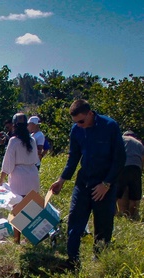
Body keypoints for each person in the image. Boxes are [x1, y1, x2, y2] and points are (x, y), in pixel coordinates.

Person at [50, 99, 126, 265]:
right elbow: (74, 157)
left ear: (91, 113)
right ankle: (73, 261)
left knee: (103, 225)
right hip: (84, 182)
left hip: (104, 184)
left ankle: (100, 263)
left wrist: (106, 184)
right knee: (75, 221)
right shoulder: (76, 130)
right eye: (76, 123)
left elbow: (119, 159)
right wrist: (61, 180)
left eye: (82, 121)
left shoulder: (109, 126)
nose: (79, 125)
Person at [0, 113, 41, 243]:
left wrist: (1, 181)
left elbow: (7, 164)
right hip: (33, 176)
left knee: (17, 209)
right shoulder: (32, 140)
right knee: (31, 208)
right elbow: (36, 160)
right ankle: (30, 238)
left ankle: (17, 239)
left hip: (19, 178)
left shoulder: (14, 141)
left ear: (15, 125)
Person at [116, 131, 144, 219]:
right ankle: (132, 216)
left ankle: (116, 214)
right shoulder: (139, 143)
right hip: (135, 169)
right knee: (134, 197)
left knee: (115, 195)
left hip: (122, 167)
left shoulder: (120, 140)